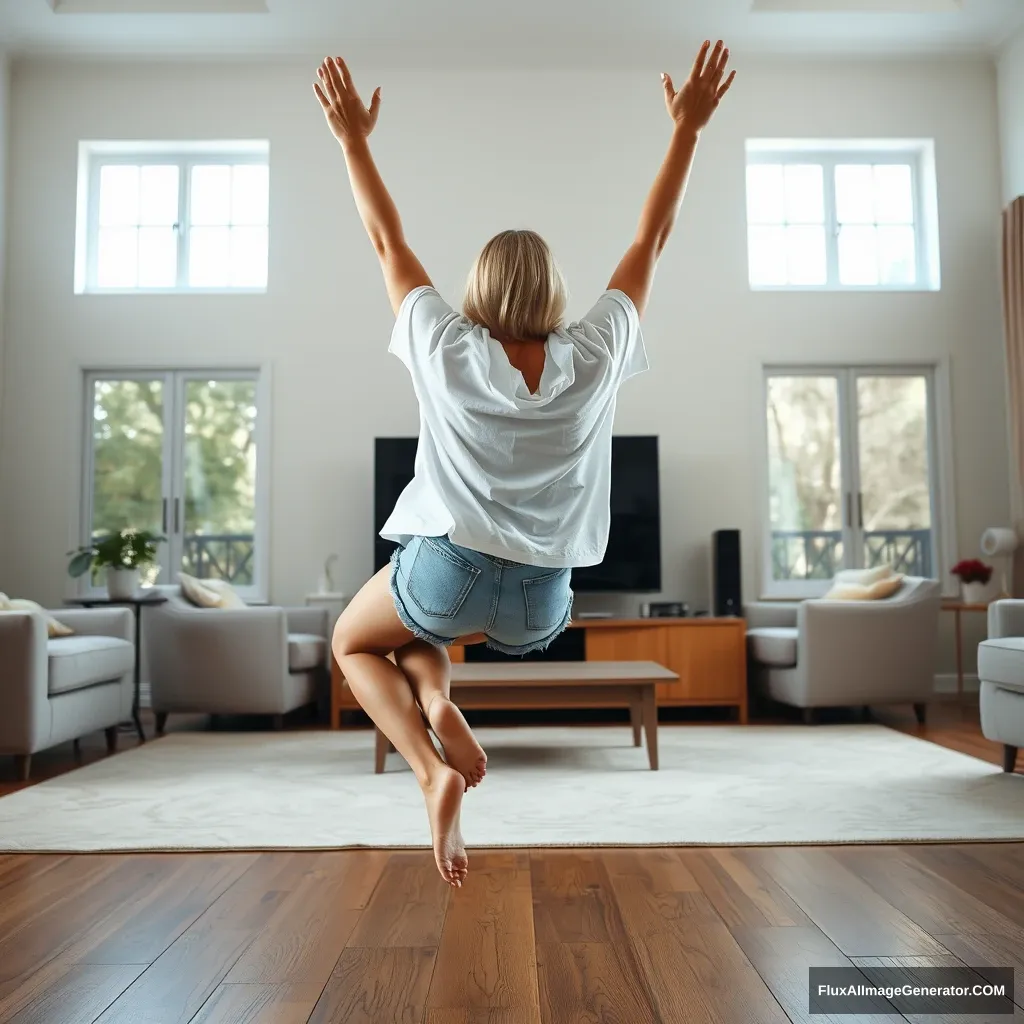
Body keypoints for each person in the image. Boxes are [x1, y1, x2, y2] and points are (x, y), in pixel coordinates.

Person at [314, 41, 735, 888]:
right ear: (551, 291)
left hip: (447, 572)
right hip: (542, 604)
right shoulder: (595, 352)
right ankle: (438, 699)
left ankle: (431, 759)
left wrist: (353, 139)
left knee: (358, 639)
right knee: (422, 632)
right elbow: (653, 237)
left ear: (478, 288)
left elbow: (382, 235)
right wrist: (687, 131)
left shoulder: (444, 343)